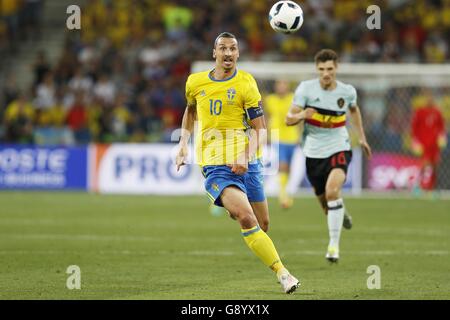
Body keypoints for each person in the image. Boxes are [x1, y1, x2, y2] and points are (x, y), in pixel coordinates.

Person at [175, 32, 300, 294]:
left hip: (249, 163)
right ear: (214, 53)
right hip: (215, 165)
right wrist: (183, 144)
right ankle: (283, 274)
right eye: (223, 48)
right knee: (245, 216)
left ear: (238, 54)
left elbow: (261, 129)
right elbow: (190, 110)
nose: (228, 53)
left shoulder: (246, 84)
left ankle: (236, 207)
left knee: (263, 225)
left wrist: (245, 155)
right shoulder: (195, 82)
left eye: (233, 48)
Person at [285, 49, 372, 263]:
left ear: (336, 68)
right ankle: (342, 214)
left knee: (332, 191)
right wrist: (302, 115)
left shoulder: (347, 91)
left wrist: (361, 137)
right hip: (313, 152)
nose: (326, 73)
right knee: (327, 205)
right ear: (317, 69)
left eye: (330, 69)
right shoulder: (305, 89)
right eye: (322, 69)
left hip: (339, 147)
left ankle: (333, 247)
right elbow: (288, 119)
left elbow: (354, 111)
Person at [265, 79, 300, 209]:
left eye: (283, 84)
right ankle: (283, 196)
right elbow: (266, 116)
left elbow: (299, 116)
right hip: (277, 137)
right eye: (279, 85)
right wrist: (266, 132)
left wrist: (300, 133)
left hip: (292, 137)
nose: (281, 87)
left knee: (288, 168)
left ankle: (285, 191)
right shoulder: (270, 99)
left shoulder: (293, 99)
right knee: (283, 165)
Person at [411, 91, 447, 195]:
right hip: (424, 145)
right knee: (424, 165)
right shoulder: (420, 112)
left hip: (434, 145)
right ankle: (418, 186)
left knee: (435, 166)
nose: (430, 100)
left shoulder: (437, 112)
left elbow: (441, 127)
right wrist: (415, 141)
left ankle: (433, 188)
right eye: (428, 97)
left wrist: (442, 137)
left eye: (431, 98)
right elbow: (415, 128)